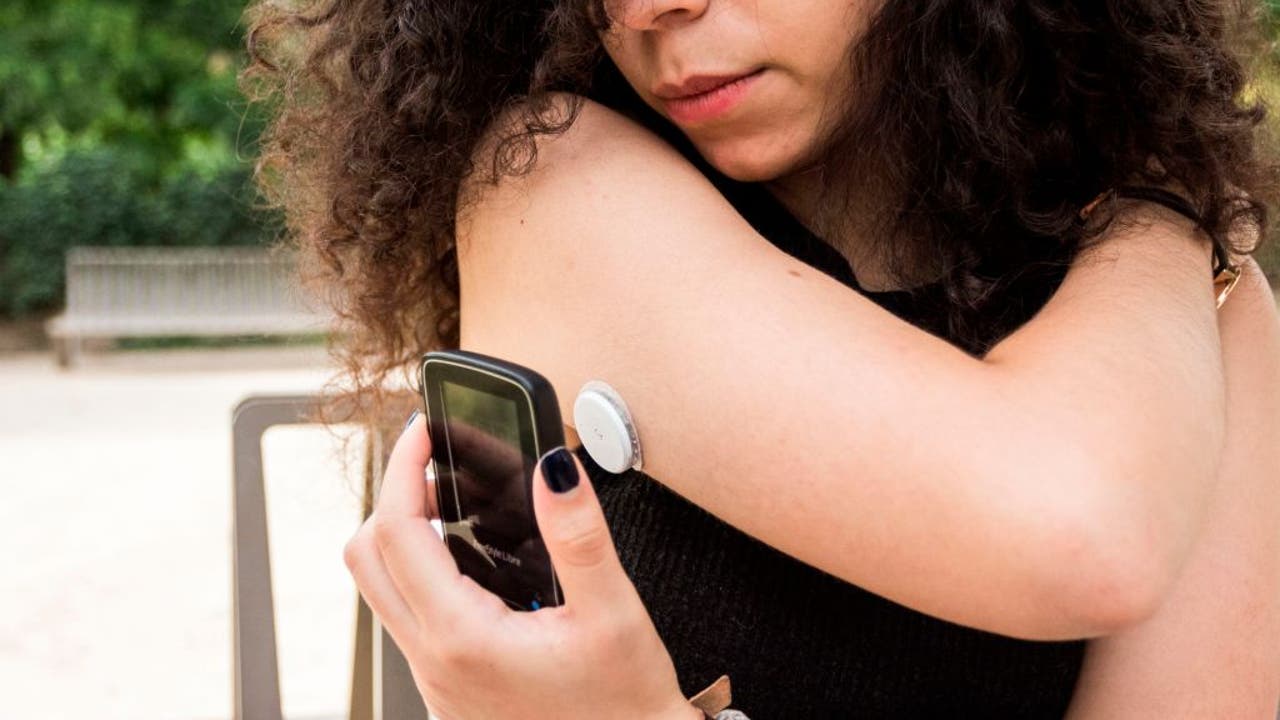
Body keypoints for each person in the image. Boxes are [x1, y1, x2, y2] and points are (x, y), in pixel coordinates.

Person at [244, 0, 1280, 716]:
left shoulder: (1187, 312)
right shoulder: (548, 181)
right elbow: (1084, 528)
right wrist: (1167, 210)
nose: (644, 8)